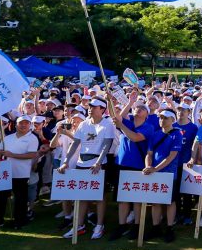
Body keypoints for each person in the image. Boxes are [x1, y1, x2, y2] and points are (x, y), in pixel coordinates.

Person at [57, 98, 115, 240]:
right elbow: (75, 143)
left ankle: (99, 225)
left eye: (95, 107)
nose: (91, 108)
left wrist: (99, 162)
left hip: (98, 164)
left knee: (100, 197)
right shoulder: (83, 124)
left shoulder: (108, 125)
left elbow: (106, 145)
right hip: (82, 163)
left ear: (102, 109)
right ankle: (79, 225)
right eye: (90, 106)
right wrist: (65, 161)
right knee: (81, 196)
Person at [110, 99, 157, 240]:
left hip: (138, 166)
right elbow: (115, 115)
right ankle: (122, 225)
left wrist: (121, 126)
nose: (138, 109)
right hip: (122, 164)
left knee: (136, 198)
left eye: (142, 108)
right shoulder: (128, 123)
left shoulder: (148, 127)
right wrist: (128, 102)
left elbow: (136, 138)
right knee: (123, 198)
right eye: (137, 108)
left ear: (147, 115)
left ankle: (136, 226)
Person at [0, 114, 41, 232]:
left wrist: (13, 155)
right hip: (5, 173)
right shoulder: (8, 138)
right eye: (21, 123)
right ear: (16, 125)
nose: (23, 125)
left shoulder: (32, 138)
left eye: (26, 123)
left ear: (30, 125)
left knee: (20, 199)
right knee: (0, 197)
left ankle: (19, 221)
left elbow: (32, 155)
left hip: (21, 173)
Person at [143, 109, 183, 243]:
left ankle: (170, 228)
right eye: (160, 118)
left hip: (169, 174)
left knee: (170, 202)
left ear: (172, 120)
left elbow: (172, 156)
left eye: (165, 118)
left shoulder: (177, 134)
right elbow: (149, 153)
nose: (162, 120)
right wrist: (149, 166)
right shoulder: (155, 134)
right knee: (155, 202)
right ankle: (156, 227)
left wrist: (155, 169)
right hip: (155, 173)